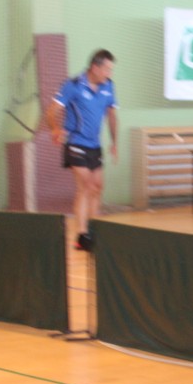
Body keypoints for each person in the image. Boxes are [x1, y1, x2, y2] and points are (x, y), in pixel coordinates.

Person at [47, 49, 119, 251]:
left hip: (95, 146)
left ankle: (93, 231)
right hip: (76, 143)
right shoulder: (73, 85)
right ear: (95, 67)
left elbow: (112, 115)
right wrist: (55, 129)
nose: (109, 73)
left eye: (111, 70)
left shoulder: (108, 86)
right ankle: (81, 235)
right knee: (85, 186)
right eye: (107, 69)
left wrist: (114, 142)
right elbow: (52, 111)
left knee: (97, 187)